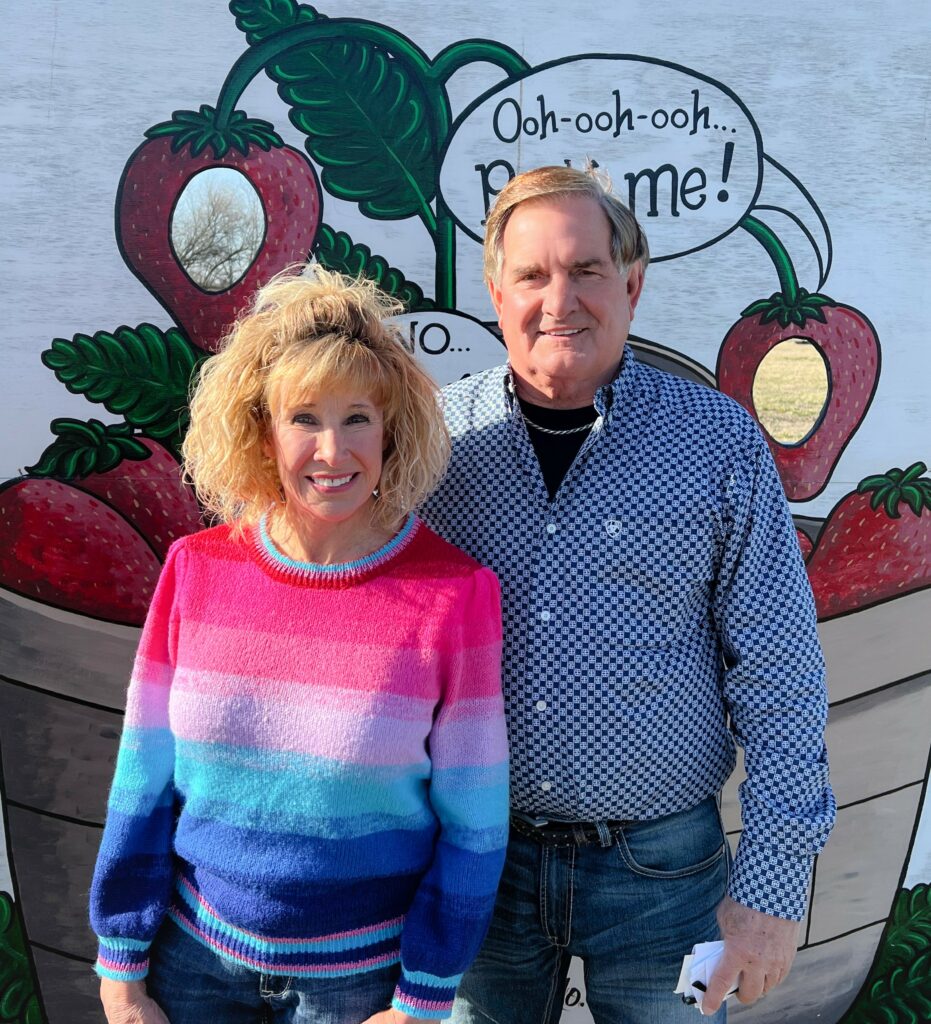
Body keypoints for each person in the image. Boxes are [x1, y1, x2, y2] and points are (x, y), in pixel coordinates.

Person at [420, 165, 835, 1023]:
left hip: (668, 881)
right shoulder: (433, 449)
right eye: (531, 275)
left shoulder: (715, 444)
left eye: (586, 270)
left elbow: (781, 677)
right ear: (495, 290)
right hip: (473, 871)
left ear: (633, 284)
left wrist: (770, 890)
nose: (558, 299)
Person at [90, 269, 509, 1024]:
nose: (331, 450)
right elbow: (143, 779)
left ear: (391, 430)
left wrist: (424, 998)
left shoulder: (455, 595)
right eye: (303, 418)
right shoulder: (194, 571)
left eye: (357, 418)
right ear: (260, 429)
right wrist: (121, 967)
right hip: (192, 968)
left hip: (360, 989)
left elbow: (474, 821)